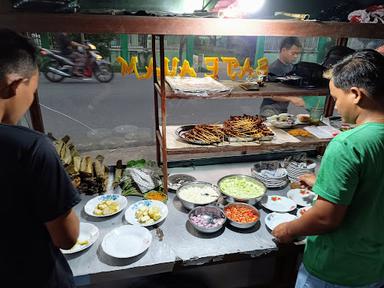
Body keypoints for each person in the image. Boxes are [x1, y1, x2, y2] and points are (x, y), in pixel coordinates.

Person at [272, 50, 384, 287]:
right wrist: (323, 184)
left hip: (335, 268)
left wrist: (289, 230)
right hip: (374, 268)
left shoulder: (347, 143)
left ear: (355, 95)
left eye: (336, 97)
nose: (335, 106)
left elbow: (325, 219)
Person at [0, 29, 81, 287]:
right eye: (32, 91)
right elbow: (66, 238)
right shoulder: (31, 148)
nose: (32, 99)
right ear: (13, 84)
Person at [260, 37, 305, 117]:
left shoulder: (291, 67)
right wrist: (291, 98)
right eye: (293, 53)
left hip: (282, 110)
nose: (295, 56)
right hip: (269, 110)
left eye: (297, 54)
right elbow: (270, 94)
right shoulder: (273, 68)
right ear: (283, 50)